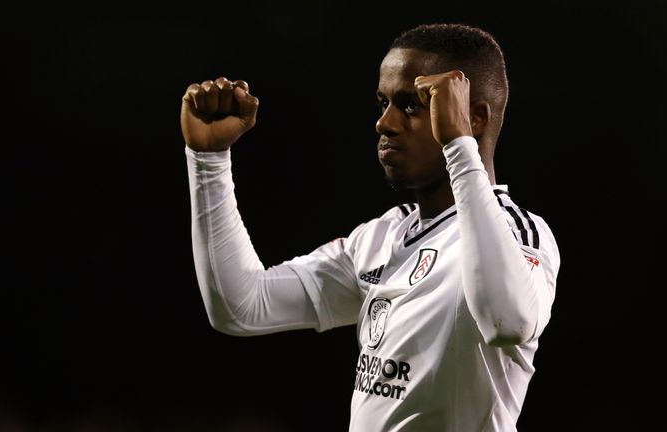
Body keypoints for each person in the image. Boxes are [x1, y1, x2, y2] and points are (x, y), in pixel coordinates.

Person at [180, 23, 560, 432]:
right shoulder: (382, 237)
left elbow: (507, 323)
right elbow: (242, 306)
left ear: (475, 118)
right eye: (382, 103)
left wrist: (458, 146)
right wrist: (209, 159)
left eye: (412, 105)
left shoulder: (516, 231)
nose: (384, 123)